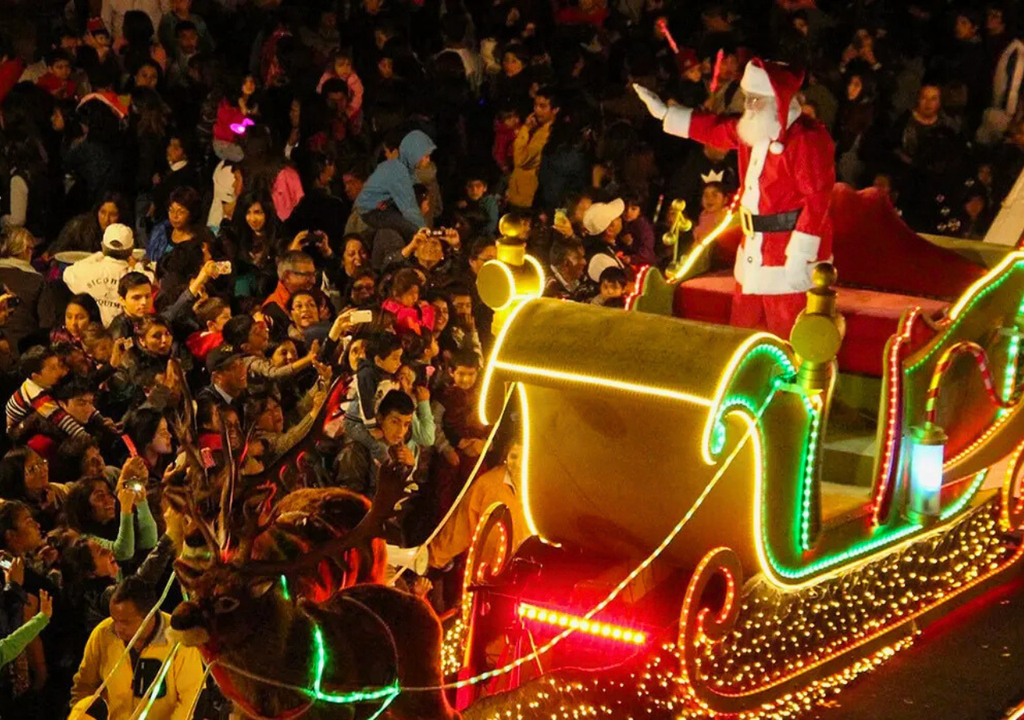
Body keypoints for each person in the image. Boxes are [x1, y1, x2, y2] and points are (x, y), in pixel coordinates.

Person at [635, 57, 835, 337]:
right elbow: (716, 127)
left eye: (756, 100)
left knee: (790, 335)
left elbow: (817, 199)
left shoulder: (806, 138)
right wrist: (666, 115)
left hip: (787, 254)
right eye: (747, 98)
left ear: (778, 99)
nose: (749, 106)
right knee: (741, 335)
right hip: (753, 250)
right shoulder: (754, 129)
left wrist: (800, 254)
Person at [69, 576, 203, 719]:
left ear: (149, 616)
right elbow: (84, 686)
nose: (117, 628)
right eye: (115, 620)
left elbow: (190, 698)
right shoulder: (103, 635)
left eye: (125, 622)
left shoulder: (179, 640)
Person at [63, 224, 155, 327]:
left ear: (102, 245)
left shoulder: (83, 270)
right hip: (121, 332)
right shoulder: (134, 275)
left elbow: (67, 273)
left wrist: (98, 255)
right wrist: (137, 264)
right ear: (131, 249)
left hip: (91, 334)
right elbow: (149, 279)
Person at [354, 129, 437, 239]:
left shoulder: (410, 171)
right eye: (425, 156)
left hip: (384, 211)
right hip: (374, 212)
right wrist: (425, 232)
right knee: (410, 229)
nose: (428, 160)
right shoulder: (397, 170)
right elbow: (408, 208)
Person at [507, 87, 559, 209]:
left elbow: (520, 159)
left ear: (555, 110)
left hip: (525, 198)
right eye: (535, 105)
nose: (537, 110)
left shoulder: (545, 135)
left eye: (543, 106)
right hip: (521, 194)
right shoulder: (539, 130)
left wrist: (525, 129)